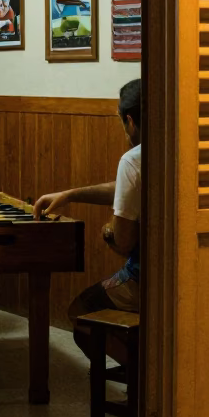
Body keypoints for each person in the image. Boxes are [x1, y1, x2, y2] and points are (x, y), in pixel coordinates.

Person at [33, 78, 141, 354]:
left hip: (145, 278)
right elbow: (126, 189)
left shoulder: (133, 159)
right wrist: (71, 194)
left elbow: (124, 243)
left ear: (129, 121)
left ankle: (144, 382)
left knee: (82, 313)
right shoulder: (179, 143)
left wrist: (108, 232)